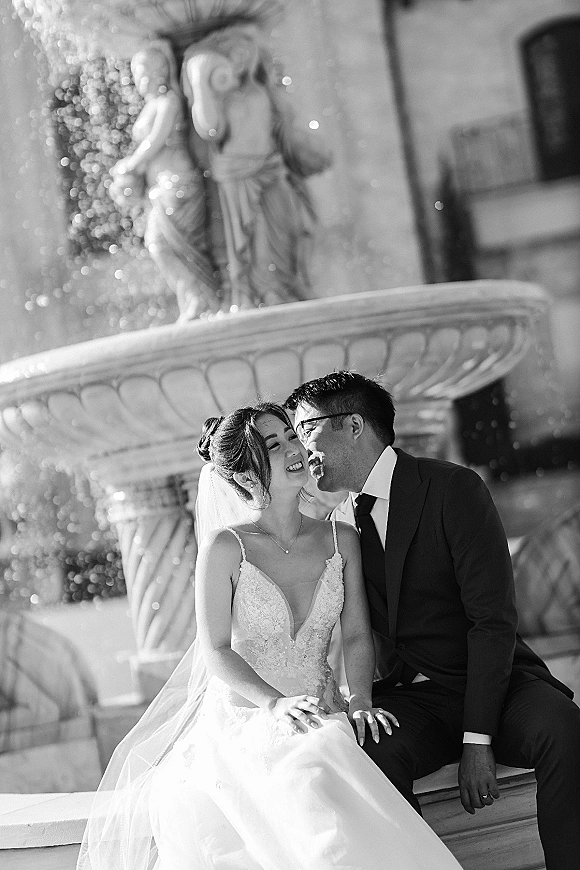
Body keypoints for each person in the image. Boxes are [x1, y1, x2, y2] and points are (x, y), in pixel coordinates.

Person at [78, 402, 461, 870]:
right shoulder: (224, 548)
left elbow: (358, 634)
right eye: (272, 446)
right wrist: (274, 703)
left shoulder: (341, 538)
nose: (293, 450)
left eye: (292, 437)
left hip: (323, 704)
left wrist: (360, 697)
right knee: (311, 784)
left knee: (336, 770)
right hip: (251, 716)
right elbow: (215, 650)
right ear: (244, 477)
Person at [285, 370, 580, 870]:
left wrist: (478, 741)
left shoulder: (452, 488)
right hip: (414, 699)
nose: (300, 448)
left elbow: (492, 620)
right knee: (370, 753)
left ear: (353, 425)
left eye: (306, 429)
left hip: (494, 684)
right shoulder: (335, 525)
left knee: (563, 729)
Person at [109, 41, 221, 320]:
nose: (138, 79)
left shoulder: (169, 101)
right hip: (161, 187)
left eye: (143, 71)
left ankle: (199, 296)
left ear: (160, 72)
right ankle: (193, 297)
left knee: (164, 243)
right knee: (164, 244)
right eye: (136, 73)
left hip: (178, 183)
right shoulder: (152, 104)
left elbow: (155, 141)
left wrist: (130, 164)